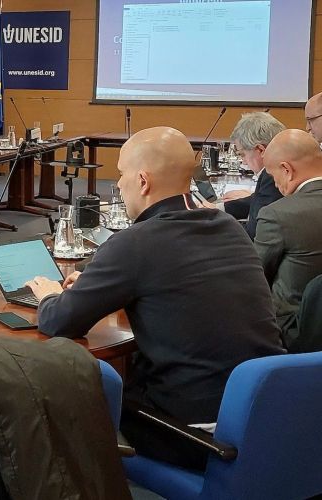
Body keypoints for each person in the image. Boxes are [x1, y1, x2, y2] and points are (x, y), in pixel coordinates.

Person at [25, 126, 284, 471]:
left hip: (199, 435)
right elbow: (179, 283)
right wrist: (105, 284)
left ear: (143, 181)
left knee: (76, 402)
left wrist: (50, 295)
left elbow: (59, 321)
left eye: (121, 174)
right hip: (269, 415)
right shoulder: (228, 227)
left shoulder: (136, 242)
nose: (118, 184)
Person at [254, 129, 322, 348]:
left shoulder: (277, 214)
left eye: (273, 177)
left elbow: (255, 278)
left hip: (294, 335)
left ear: (286, 169)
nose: (275, 185)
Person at [220, 112, 284, 237]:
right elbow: (260, 199)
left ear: (260, 150)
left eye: (243, 154)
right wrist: (220, 208)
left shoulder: (272, 176)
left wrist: (214, 225)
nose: (243, 162)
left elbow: (254, 232)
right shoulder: (277, 172)